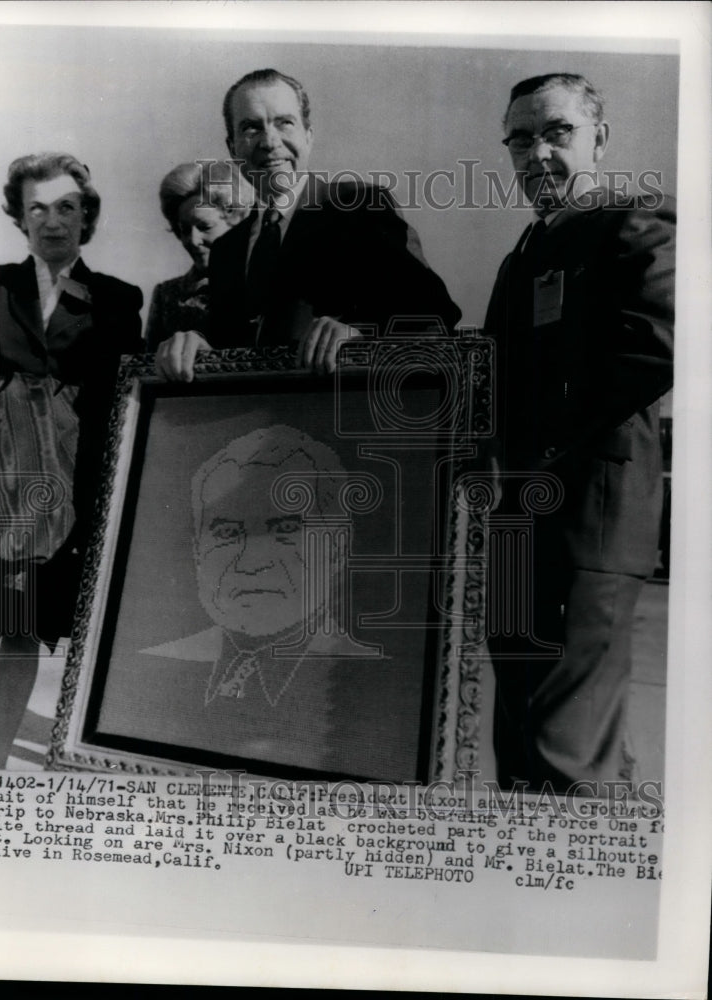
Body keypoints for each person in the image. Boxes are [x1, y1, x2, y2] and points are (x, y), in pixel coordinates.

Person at [481, 74, 675, 793]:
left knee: (566, 750)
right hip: (516, 524)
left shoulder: (632, 220)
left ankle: (569, 893)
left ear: (599, 138)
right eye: (520, 138)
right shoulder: (521, 255)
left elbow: (661, 341)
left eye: (556, 132)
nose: (537, 152)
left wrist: (544, 442)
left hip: (587, 522)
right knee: (521, 738)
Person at [0, 152, 143, 768]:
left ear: (85, 216)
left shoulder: (117, 299)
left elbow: (122, 404)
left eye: (66, 207)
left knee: (24, 630)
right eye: (37, 207)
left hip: (63, 485)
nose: (52, 221)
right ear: (19, 217)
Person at [98, 425, 418, 780]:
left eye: (284, 531)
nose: (251, 561)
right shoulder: (133, 679)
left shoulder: (390, 697)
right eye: (226, 533)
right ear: (197, 553)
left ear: (337, 547)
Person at [156, 68, 461, 381]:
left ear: (308, 136)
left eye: (284, 123)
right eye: (250, 128)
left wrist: (359, 332)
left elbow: (434, 317)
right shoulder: (226, 250)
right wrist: (199, 346)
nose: (269, 141)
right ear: (232, 147)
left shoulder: (361, 208)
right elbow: (232, 352)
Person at [146, 160, 255, 352]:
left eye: (205, 227)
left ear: (238, 220)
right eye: (184, 230)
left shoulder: (264, 282)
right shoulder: (167, 296)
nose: (193, 240)